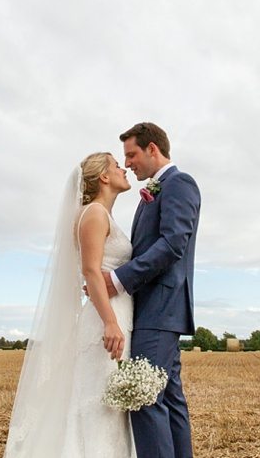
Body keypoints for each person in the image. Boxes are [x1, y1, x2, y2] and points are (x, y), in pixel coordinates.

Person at [4, 152, 136, 458]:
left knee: (111, 404)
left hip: (115, 313)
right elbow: (90, 270)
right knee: (99, 404)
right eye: (117, 165)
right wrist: (110, 322)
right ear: (104, 176)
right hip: (107, 317)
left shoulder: (100, 214)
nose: (124, 169)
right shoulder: (94, 214)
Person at [101, 122, 201, 458]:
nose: (127, 163)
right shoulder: (153, 192)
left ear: (153, 149)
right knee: (169, 401)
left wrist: (117, 280)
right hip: (154, 310)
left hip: (160, 307)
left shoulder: (179, 183)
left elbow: (173, 244)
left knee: (144, 399)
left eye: (131, 155)